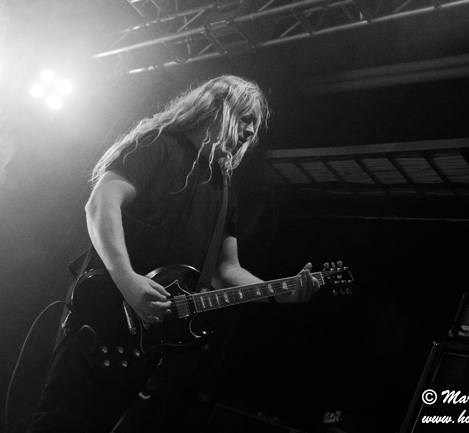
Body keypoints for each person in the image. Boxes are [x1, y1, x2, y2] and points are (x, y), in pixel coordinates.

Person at [26, 75, 320, 433]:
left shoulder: (224, 191)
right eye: (245, 119)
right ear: (217, 108)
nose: (249, 133)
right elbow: (100, 204)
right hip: (102, 315)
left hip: (144, 346)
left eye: (254, 128)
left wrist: (280, 292)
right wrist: (128, 280)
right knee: (59, 423)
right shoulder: (158, 145)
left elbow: (227, 270)